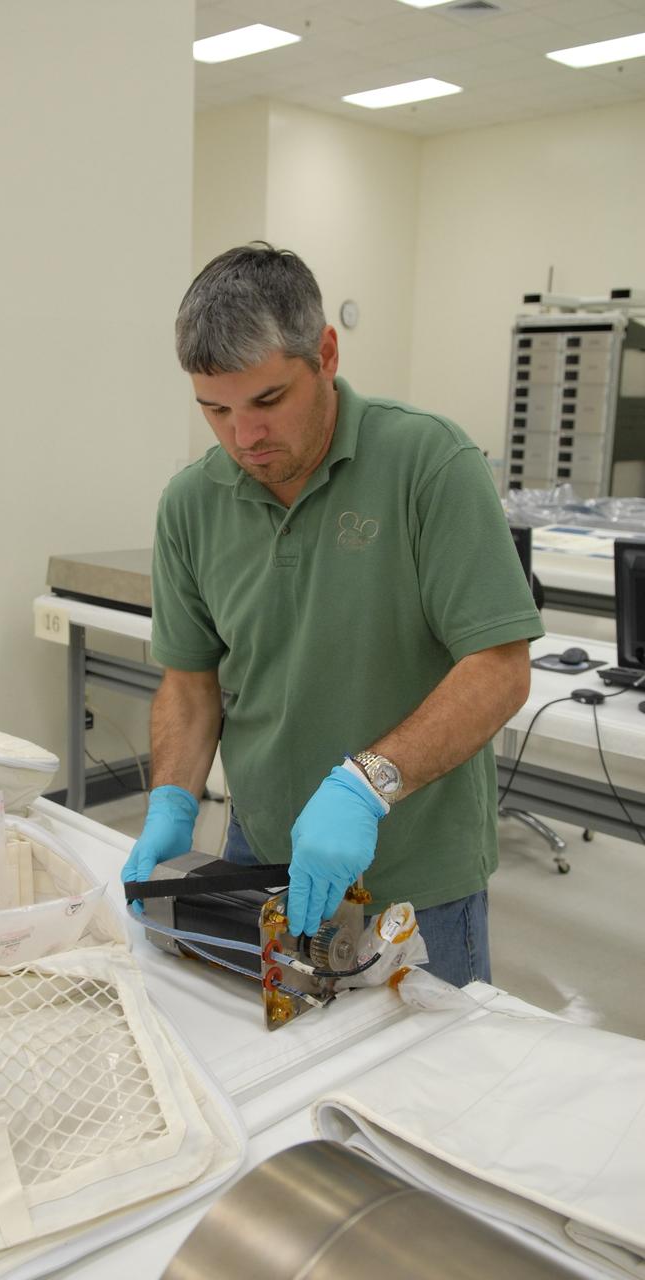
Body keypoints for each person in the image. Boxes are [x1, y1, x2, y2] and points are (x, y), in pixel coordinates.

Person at [122, 243, 543, 987]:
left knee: (427, 1096)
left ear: (326, 353)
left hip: (417, 880)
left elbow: (500, 669)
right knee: (282, 1083)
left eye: (268, 401)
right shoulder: (192, 503)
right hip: (263, 860)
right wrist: (171, 803)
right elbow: (192, 683)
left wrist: (366, 785)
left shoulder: (428, 464)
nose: (242, 436)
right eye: (215, 409)